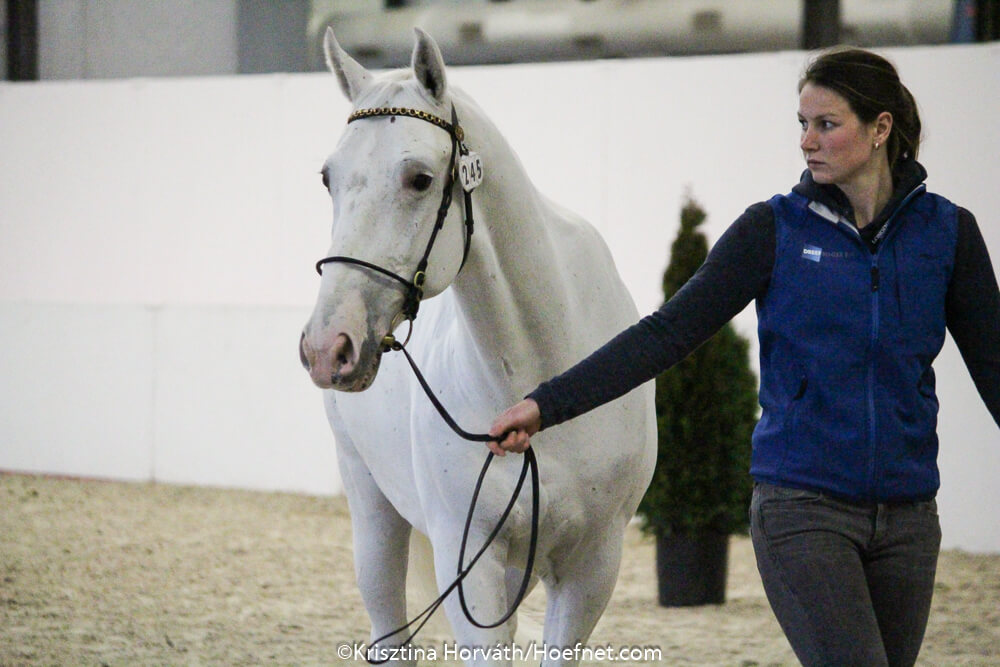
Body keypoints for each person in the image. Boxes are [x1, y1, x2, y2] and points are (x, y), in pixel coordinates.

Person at [488, 47, 1000, 667]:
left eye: (827, 124)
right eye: (802, 124)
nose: (807, 141)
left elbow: (993, 366)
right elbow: (664, 334)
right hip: (803, 508)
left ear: (880, 129)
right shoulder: (773, 230)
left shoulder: (948, 234)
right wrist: (545, 405)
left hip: (910, 516)